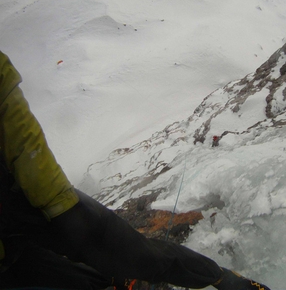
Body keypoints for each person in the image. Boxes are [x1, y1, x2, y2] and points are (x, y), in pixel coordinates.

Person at [0, 51, 271, 290]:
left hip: (28, 203)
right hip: (25, 218)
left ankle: (222, 279)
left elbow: (17, 130)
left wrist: (56, 202)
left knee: (140, 255)